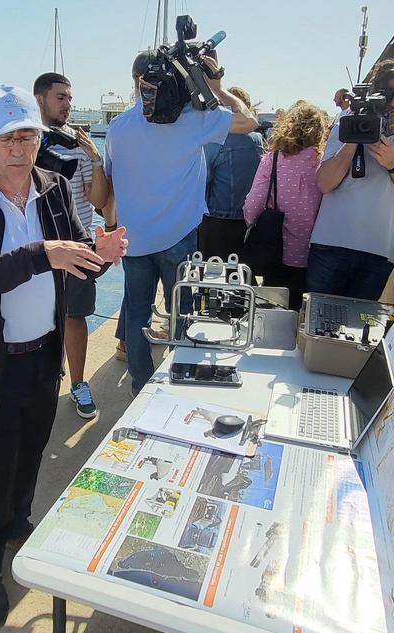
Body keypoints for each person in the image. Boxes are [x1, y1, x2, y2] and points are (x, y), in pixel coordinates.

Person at [0, 84, 127, 624]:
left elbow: (76, 257)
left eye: (28, 136)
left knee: (32, 450)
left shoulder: (56, 187)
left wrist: (102, 255)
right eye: (7, 138)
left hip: (42, 357)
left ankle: (18, 522)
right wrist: (42, 254)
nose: (19, 148)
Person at [105, 49, 258, 394]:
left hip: (134, 240)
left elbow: (114, 178)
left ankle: (140, 385)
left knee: (136, 314)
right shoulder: (193, 121)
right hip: (179, 239)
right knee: (183, 314)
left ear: (136, 83)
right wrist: (216, 88)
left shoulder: (117, 127)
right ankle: (177, 380)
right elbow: (248, 121)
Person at [308, 59, 394, 301]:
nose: (391, 102)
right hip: (330, 246)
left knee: (356, 333)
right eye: (386, 94)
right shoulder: (347, 123)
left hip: (378, 255)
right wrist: (355, 137)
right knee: (316, 325)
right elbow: (324, 183)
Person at [33, 71, 110, 419]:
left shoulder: (78, 146)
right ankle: (44, 382)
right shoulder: (24, 141)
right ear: (40, 99)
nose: (67, 104)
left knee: (74, 316)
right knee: (34, 318)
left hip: (76, 246)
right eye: (60, 97)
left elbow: (98, 198)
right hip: (34, 247)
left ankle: (78, 383)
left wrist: (94, 157)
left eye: (69, 98)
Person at [243, 100, 329, 310]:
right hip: (317, 253)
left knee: (275, 313)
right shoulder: (325, 162)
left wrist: (251, 222)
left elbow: (253, 204)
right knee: (308, 315)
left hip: (277, 250)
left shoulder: (272, 160)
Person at [200, 86, 263, 261]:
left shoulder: (218, 139)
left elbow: (202, 178)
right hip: (249, 219)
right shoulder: (257, 139)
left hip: (217, 220)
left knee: (211, 279)